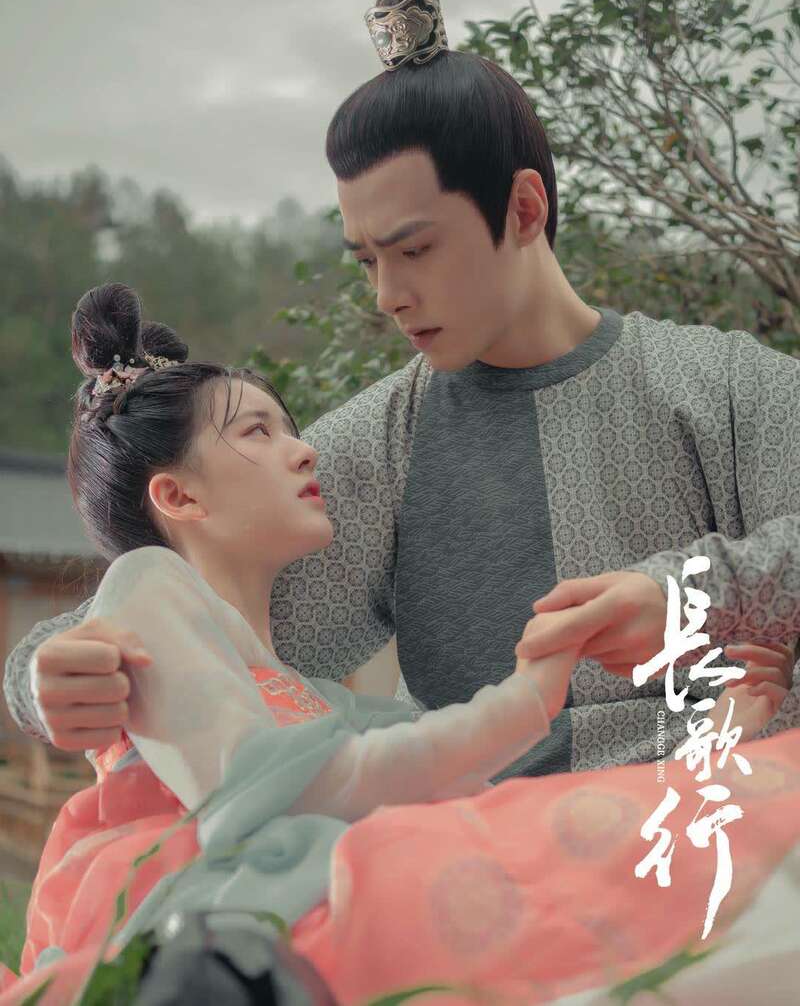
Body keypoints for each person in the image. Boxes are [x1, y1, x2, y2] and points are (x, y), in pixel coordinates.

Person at [4, 0, 800, 782]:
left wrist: (692, 596)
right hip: (468, 847)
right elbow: (178, 615)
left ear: (524, 210)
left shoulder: (725, 384)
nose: (388, 295)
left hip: (721, 826)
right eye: (367, 260)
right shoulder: (381, 449)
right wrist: (45, 678)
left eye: (415, 249)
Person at [2, 281, 800, 1006]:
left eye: (287, 428)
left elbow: (425, 771)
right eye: (258, 432)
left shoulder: (304, 691)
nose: (304, 449)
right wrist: (531, 693)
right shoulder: (150, 585)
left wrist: (717, 730)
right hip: (217, 936)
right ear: (178, 496)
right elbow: (281, 787)